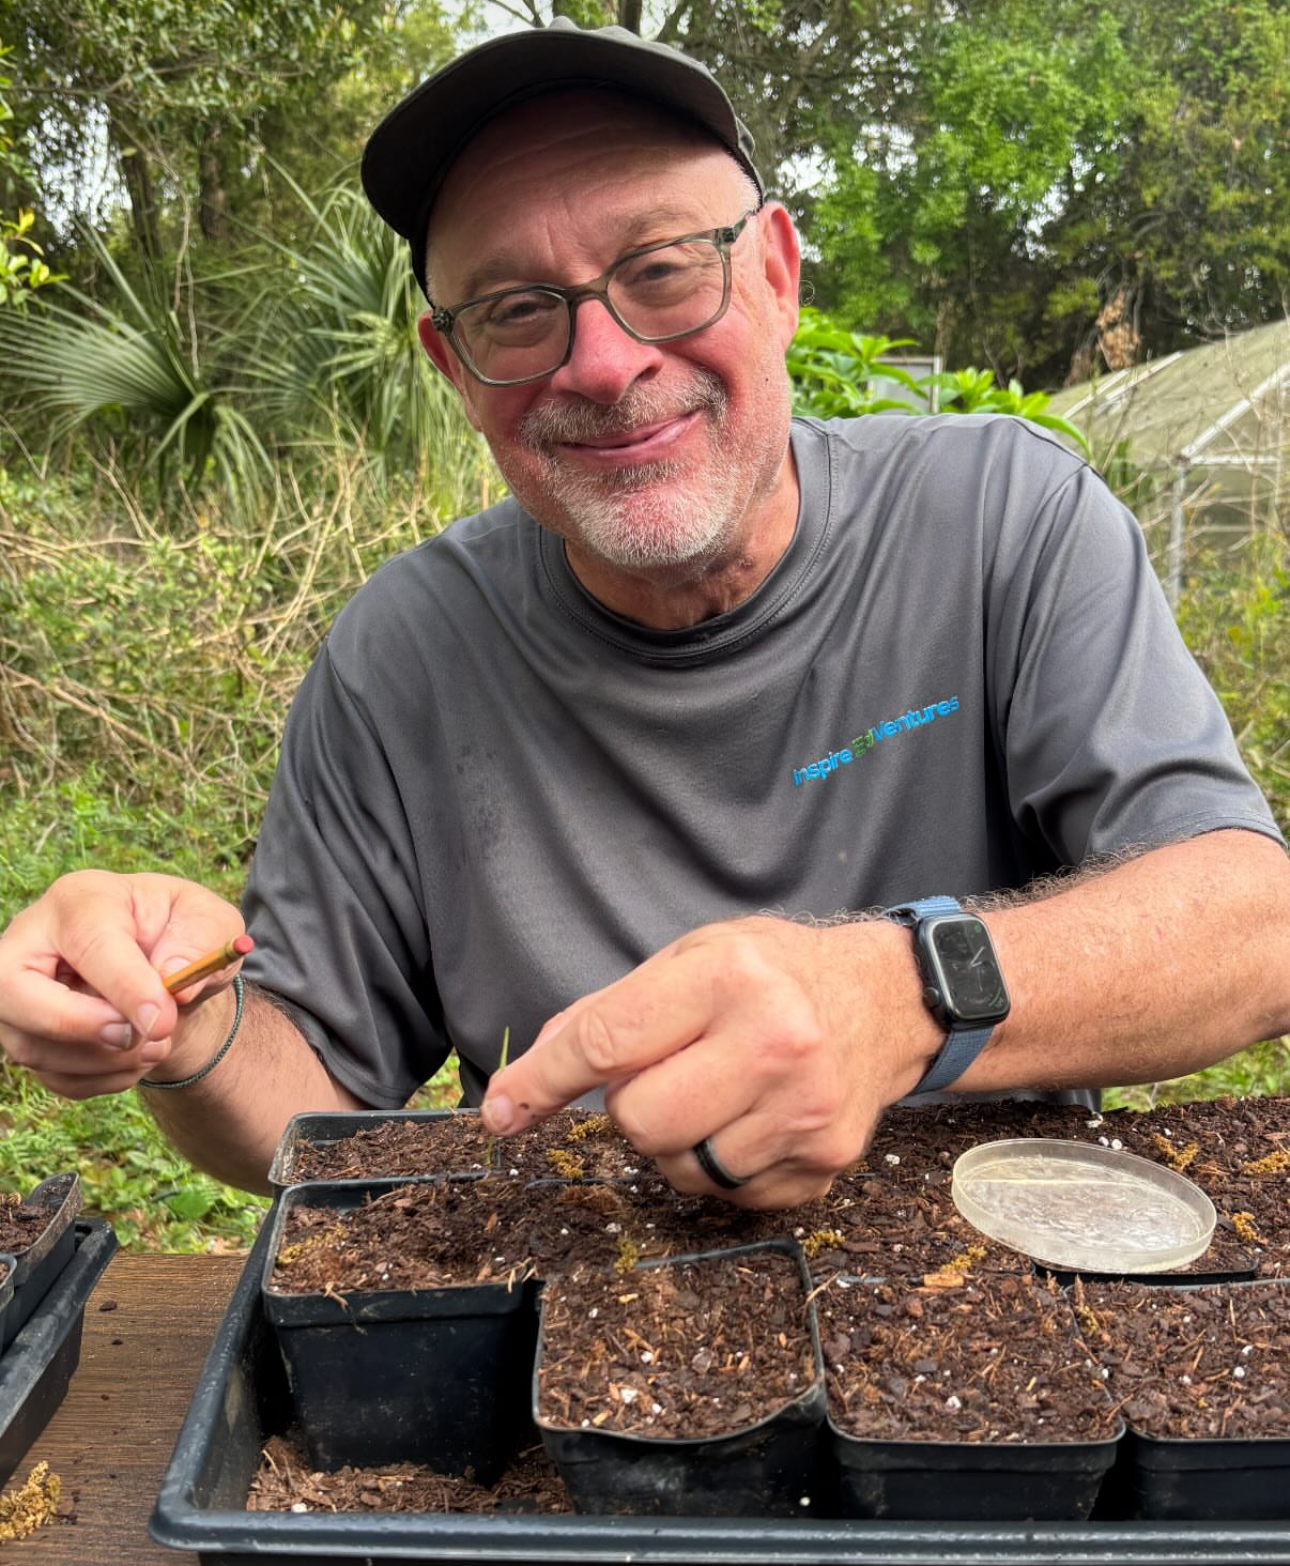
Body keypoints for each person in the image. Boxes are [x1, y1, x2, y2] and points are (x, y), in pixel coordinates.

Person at [0, 21, 1287, 1209]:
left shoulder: (1002, 517)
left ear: (776, 275)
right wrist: (182, 1022)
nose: (605, 365)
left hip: (986, 1271)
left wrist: (900, 993)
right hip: (575, 1316)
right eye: (516, 312)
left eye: (663, 269)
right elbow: (316, 1112)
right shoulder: (404, 654)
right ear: (456, 370)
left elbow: (1250, 920)